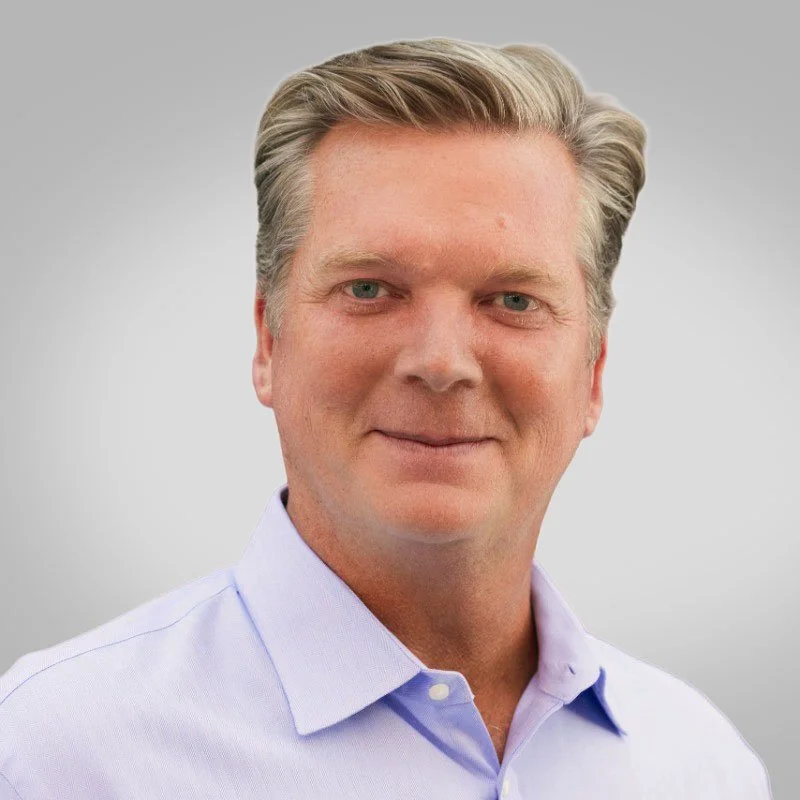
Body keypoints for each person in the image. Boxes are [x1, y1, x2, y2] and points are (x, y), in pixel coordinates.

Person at [0, 37, 772, 799]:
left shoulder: (700, 764)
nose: (441, 363)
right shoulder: (57, 752)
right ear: (269, 341)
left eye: (513, 301)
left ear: (593, 374)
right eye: (370, 289)